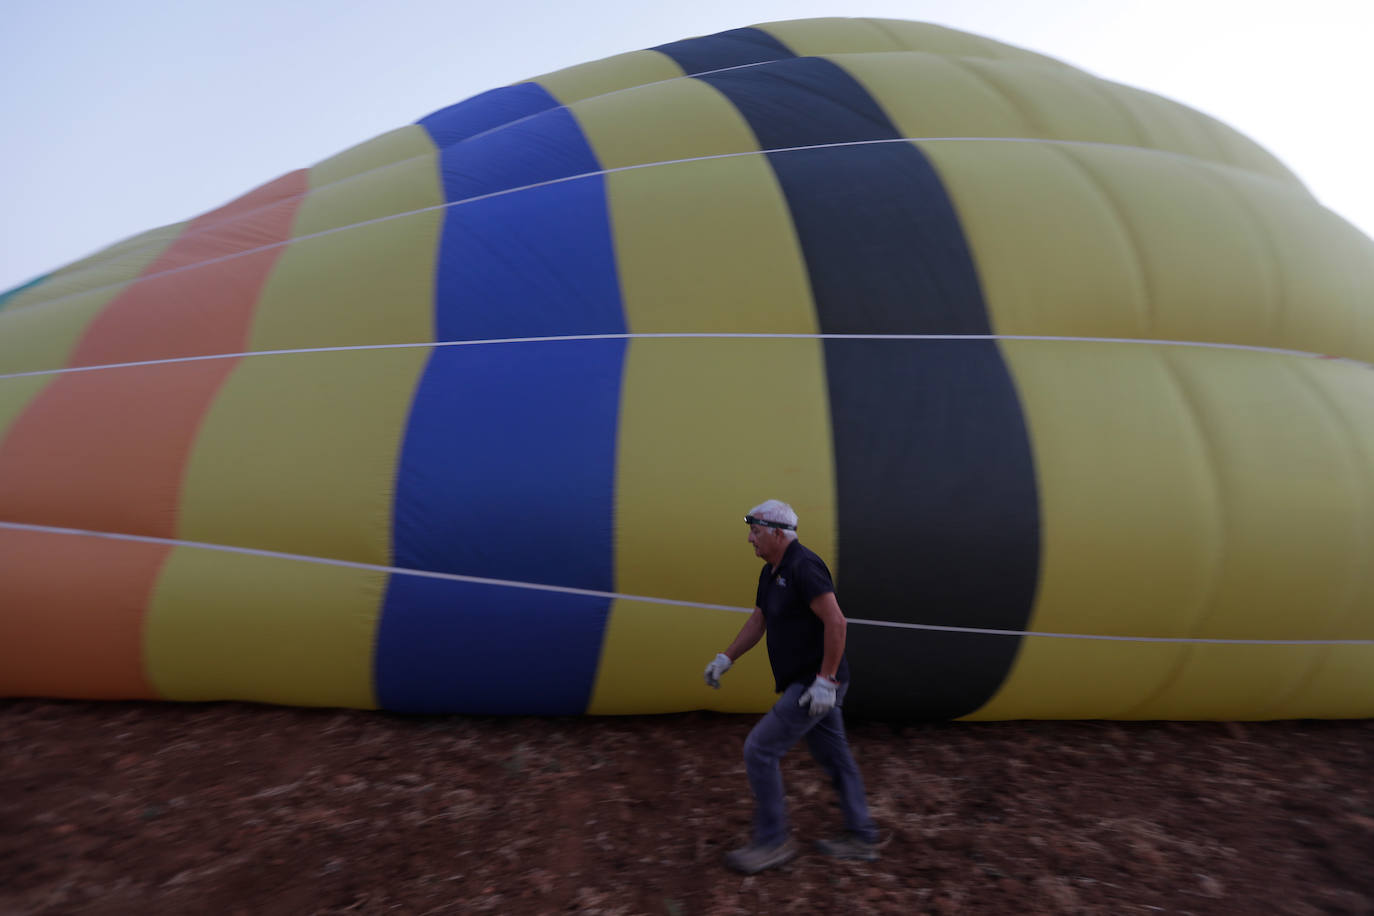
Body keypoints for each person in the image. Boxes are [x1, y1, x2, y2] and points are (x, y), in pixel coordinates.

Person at [703, 499, 880, 874]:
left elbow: (836, 622)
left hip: (815, 683)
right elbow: (759, 620)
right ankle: (862, 836)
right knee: (836, 758)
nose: (750, 539)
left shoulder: (804, 566)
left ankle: (772, 841)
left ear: (778, 533)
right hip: (809, 683)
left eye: (755, 532)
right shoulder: (771, 572)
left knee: (759, 749)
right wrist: (726, 658)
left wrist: (825, 681)